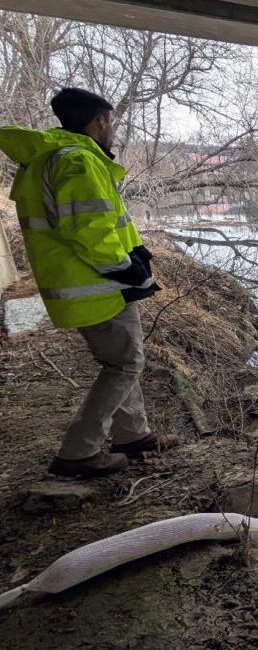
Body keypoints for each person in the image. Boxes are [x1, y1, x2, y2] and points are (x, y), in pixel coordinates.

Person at [0, 87, 178, 478]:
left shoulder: (48, 159)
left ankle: (132, 435)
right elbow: (90, 228)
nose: (111, 129)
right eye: (109, 121)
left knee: (122, 360)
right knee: (125, 364)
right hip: (94, 285)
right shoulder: (78, 161)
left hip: (80, 282)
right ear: (99, 121)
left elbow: (96, 224)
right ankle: (79, 452)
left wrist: (135, 253)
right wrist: (124, 267)